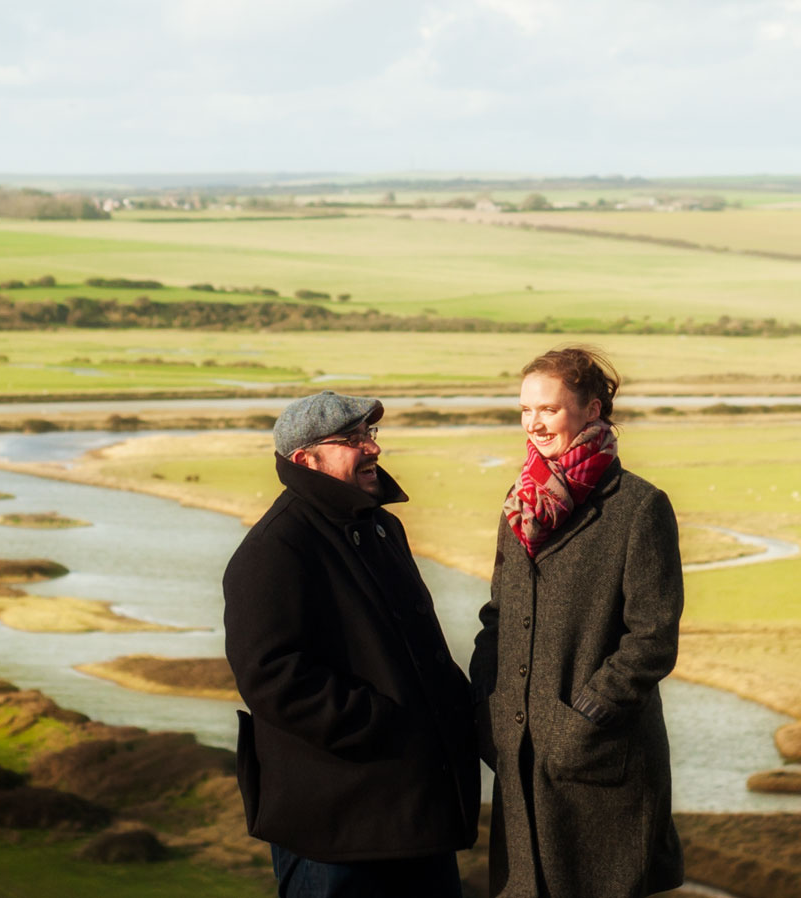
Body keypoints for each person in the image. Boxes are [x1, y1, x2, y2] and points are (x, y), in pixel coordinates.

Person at [223, 390, 479, 898]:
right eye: (352, 439)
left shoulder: (382, 528)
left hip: (412, 816)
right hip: (336, 828)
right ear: (305, 459)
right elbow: (271, 677)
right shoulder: (275, 549)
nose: (373, 449)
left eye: (370, 435)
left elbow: (421, 652)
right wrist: (388, 723)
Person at [470, 348, 685, 898]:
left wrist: (586, 716)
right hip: (521, 761)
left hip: (599, 760)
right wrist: (487, 699)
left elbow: (652, 638)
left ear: (592, 411)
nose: (534, 424)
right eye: (524, 410)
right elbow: (499, 612)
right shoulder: (519, 503)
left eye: (548, 409)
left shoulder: (638, 506)